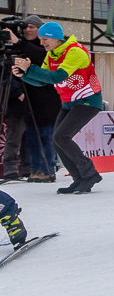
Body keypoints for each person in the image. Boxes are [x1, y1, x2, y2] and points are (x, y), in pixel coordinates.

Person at [13, 22, 104, 194]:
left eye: (45, 39)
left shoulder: (75, 51)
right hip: (70, 101)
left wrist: (30, 69)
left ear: (56, 38)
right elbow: (43, 81)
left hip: (88, 100)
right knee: (57, 139)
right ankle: (80, 179)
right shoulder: (52, 54)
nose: (42, 43)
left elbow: (57, 76)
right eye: (40, 39)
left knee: (62, 136)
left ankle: (89, 174)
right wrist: (24, 75)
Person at [10, 16, 61, 183]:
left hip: (48, 100)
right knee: (31, 137)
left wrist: (19, 42)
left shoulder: (45, 47)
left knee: (47, 136)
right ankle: (35, 169)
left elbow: (41, 57)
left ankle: (47, 169)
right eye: (25, 27)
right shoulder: (20, 48)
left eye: (32, 26)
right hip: (29, 100)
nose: (28, 30)